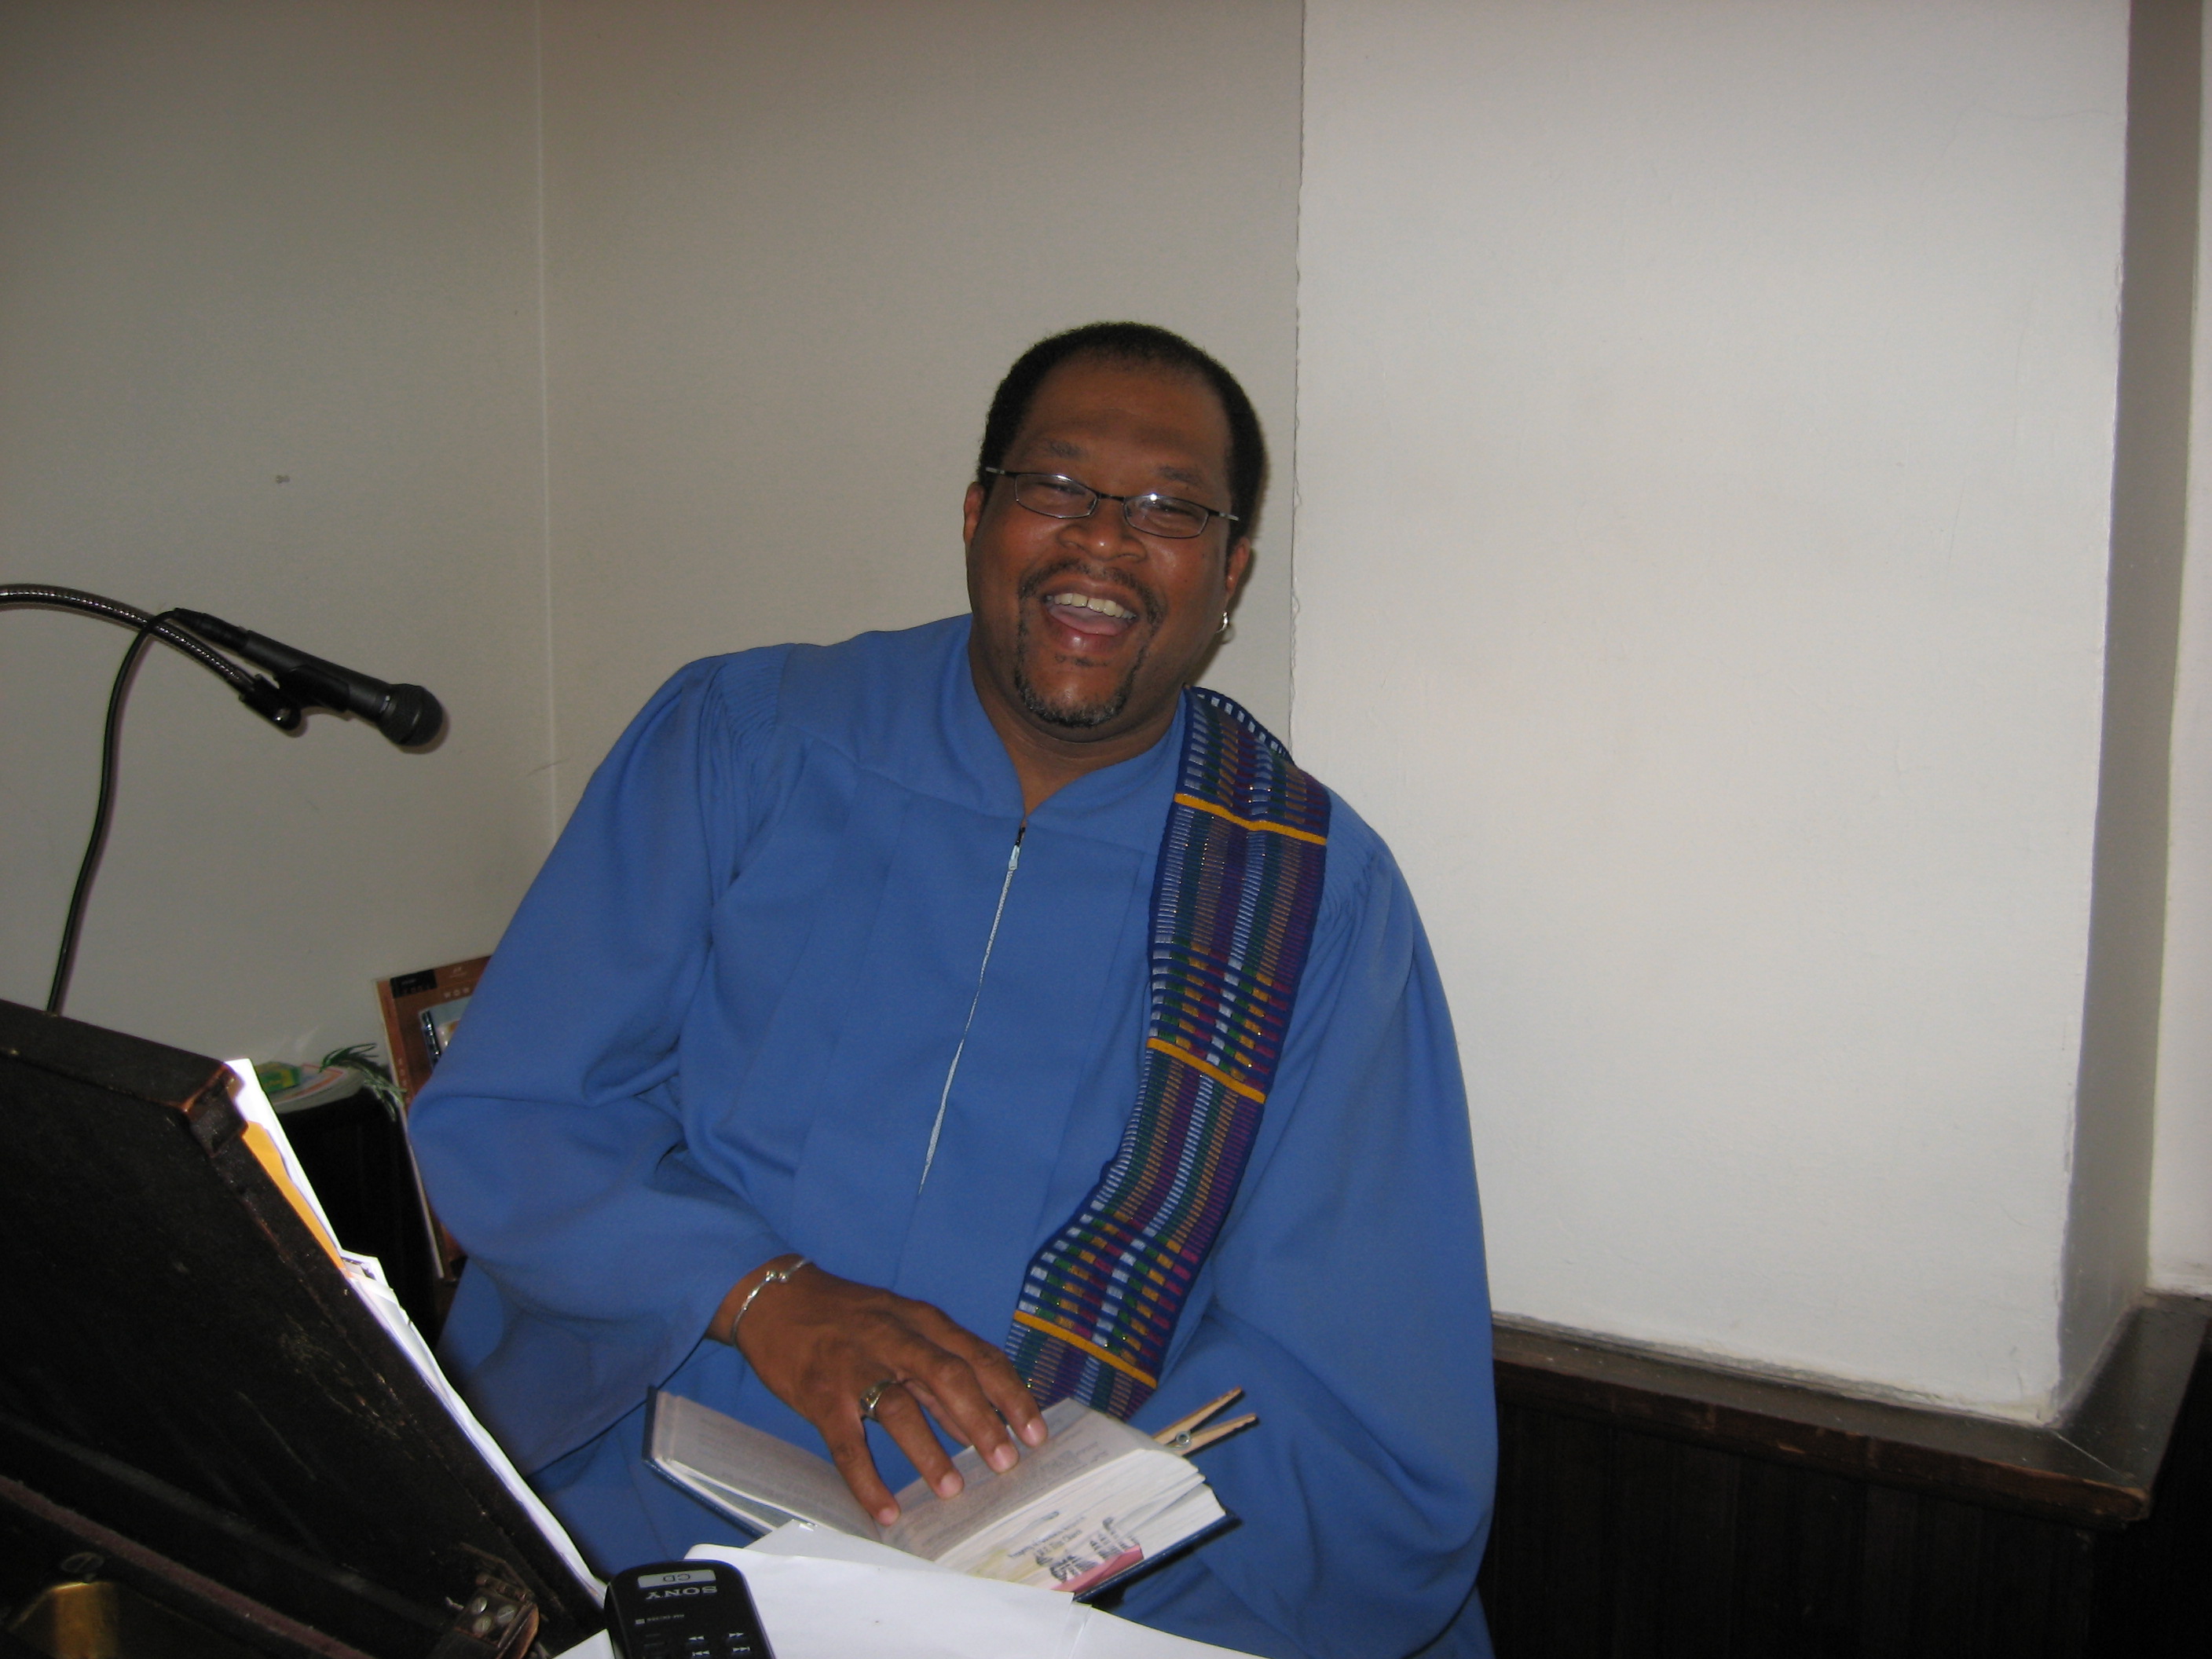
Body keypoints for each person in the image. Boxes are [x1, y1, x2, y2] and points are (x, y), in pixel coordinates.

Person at [408, 322, 1496, 1658]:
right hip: (648, 1520)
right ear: (979, 515)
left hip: (1061, 1597)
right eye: (1059, 485)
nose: (1104, 541)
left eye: (1170, 509)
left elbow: (1343, 1378)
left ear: (1230, 575)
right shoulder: (744, 742)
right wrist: (760, 1295)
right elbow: (519, 1110)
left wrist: (1059, 1582)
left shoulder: (1305, 897)